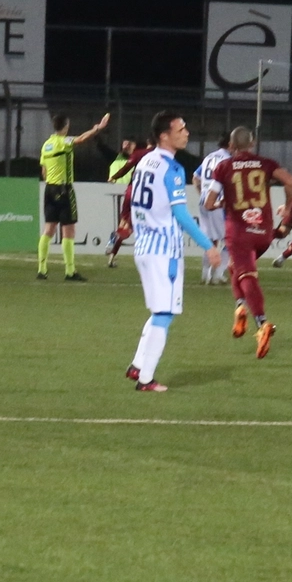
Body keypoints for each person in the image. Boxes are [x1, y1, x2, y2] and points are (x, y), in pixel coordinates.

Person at [123, 111, 222, 392]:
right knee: (164, 314)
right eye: (181, 129)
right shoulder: (173, 169)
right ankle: (146, 380)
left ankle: (138, 366)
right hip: (163, 251)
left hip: (144, 247)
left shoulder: (144, 161)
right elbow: (180, 213)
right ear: (165, 135)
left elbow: (133, 201)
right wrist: (208, 246)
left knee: (159, 311)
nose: (187, 133)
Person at [207, 127, 292, 357]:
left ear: (231, 146)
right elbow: (289, 181)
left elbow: (208, 203)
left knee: (246, 274)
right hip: (264, 231)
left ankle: (262, 324)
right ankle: (239, 307)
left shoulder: (224, 167)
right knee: (235, 268)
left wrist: (221, 203)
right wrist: (287, 208)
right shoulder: (265, 163)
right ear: (252, 143)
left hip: (239, 232)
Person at [38, 111, 110, 281]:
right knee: (68, 230)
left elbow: (44, 171)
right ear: (66, 126)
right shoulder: (64, 142)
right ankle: (70, 271)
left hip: (49, 189)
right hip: (64, 188)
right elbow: (80, 139)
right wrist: (97, 128)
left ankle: (42, 269)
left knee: (48, 229)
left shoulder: (46, 144)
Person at [193, 133, 233, 285]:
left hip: (204, 202)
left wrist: (203, 194)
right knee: (230, 240)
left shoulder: (209, 157)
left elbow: (195, 177)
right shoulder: (228, 160)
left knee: (211, 240)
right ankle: (217, 273)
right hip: (218, 203)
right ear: (230, 145)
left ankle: (205, 274)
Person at [104, 138, 146, 269]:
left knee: (123, 223)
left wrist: (113, 177)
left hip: (130, 190)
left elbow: (127, 167)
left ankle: (111, 257)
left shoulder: (138, 154)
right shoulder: (153, 154)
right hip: (139, 193)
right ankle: (114, 239)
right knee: (129, 229)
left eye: (131, 144)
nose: (129, 147)